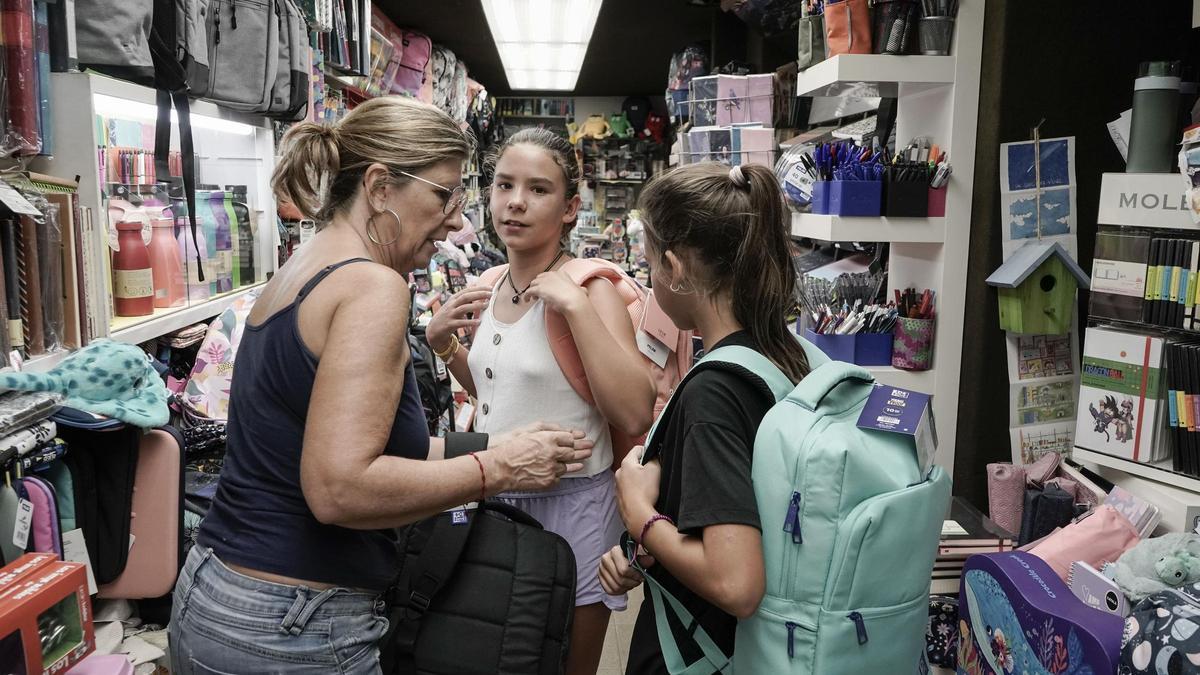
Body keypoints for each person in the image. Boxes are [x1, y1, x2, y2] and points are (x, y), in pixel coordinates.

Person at [169, 98, 592, 675]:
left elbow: (362, 446)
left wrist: (504, 445)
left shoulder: (304, 265)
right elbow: (340, 488)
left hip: (218, 592)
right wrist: (502, 471)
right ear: (380, 186)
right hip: (293, 622)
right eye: (443, 196)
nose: (455, 221)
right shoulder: (372, 286)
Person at [427, 128, 656, 674]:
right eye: (504, 185)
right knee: (498, 654)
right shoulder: (489, 282)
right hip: (495, 492)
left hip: (574, 505)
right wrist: (446, 346)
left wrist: (574, 307)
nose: (516, 202)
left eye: (538, 189)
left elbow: (632, 412)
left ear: (571, 207)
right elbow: (502, 393)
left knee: (565, 663)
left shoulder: (592, 287)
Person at [597, 162, 812, 674]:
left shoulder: (713, 392)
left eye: (650, 264)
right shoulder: (787, 353)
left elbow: (736, 582)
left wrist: (640, 518)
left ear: (674, 268)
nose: (651, 280)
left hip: (702, 653)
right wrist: (657, 545)